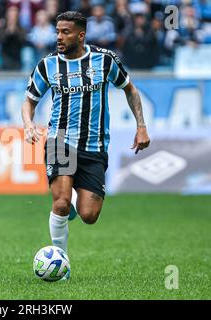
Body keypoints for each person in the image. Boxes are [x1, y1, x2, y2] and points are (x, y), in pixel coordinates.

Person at [21, 11, 150, 280]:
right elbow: (30, 99)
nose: (58, 37)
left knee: (89, 215)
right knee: (60, 202)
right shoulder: (48, 65)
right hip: (59, 140)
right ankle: (61, 264)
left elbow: (129, 89)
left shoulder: (104, 61)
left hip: (94, 145)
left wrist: (141, 126)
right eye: (57, 31)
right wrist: (29, 123)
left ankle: (72, 208)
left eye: (65, 32)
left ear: (80, 35)